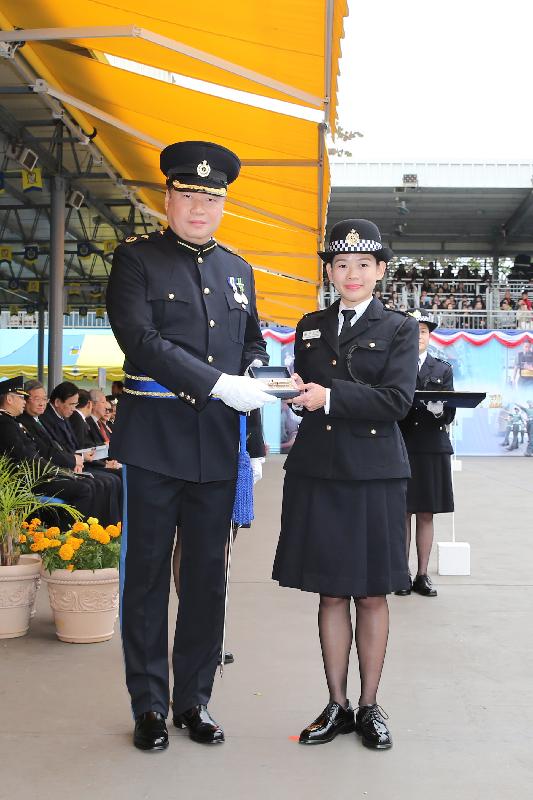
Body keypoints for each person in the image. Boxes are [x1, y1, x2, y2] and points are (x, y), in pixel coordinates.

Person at [106, 140, 273, 752]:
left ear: (222, 204)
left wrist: (254, 374)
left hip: (214, 446)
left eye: (211, 197)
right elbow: (141, 341)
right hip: (153, 440)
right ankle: (148, 705)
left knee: (208, 580)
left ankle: (193, 701)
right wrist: (217, 382)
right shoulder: (137, 261)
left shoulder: (238, 269)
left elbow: (252, 341)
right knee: (147, 578)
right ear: (168, 197)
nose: (199, 207)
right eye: (188, 195)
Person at [272, 219, 418, 751]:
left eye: (362, 264)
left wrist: (327, 396)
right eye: (339, 264)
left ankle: (369, 704)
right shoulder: (309, 325)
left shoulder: (400, 327)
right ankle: (336, 703)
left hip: (374, 473)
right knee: (331, 592)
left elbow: (397, 401)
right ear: (328, 270)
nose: (350, 273)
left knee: (373, 594)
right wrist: (293, 394)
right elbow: (304, 388)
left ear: (380, 271)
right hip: (319, 470)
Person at [396, 310, 455, 598]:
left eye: (423, 331)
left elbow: (451, 410)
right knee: (402, 512)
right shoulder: (394, 366)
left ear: (429, 336)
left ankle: (422, 574)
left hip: (432, 446)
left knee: (426, 513)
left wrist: (441, 410)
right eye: (413, 331)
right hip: (401, 444)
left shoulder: (442, 369)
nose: (418, 336)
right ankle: (401, 574)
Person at [0, 376, 99, 520]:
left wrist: (60, 471)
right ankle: (70, 536)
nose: (24, 401)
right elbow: (27, 458)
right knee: (83, 489)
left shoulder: (10, 422)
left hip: (35, 476)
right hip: (28, 482)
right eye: (21, 397)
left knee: (86, 483)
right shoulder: (5, 424)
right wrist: (58, 471)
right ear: (9, 399)